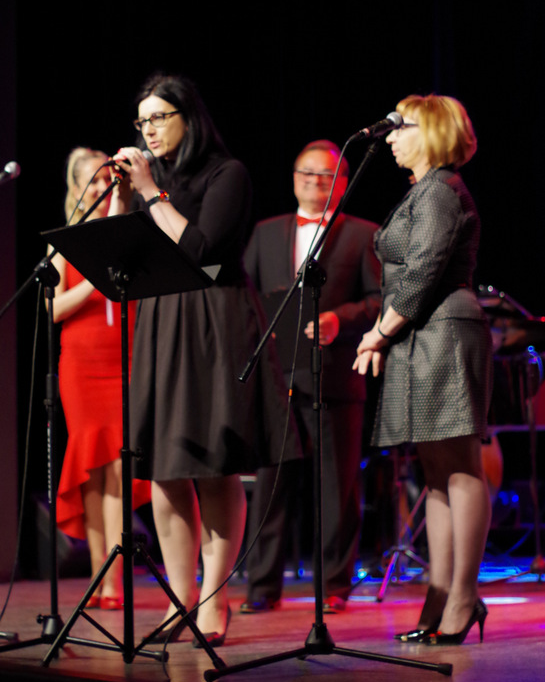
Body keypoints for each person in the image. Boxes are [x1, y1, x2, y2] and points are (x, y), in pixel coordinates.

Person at [113, 72, 297, 646]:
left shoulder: (226, 174)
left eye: (158, 117)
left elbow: (199, 250)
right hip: (161, 321)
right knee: (165, 469)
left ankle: (215, 601)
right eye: (142, 121)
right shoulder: (153, 180)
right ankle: (181, 599)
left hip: (215, 321)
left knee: (215, 465)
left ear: (188, 118)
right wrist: (125, 196)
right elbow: (124, 256)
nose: (148, 130)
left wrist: (149, 192)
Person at [353, 94, 493, 645]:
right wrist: (385, 333)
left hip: (444, 333)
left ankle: (463, 597)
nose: (389, 137)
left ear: (431, 130)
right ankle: (439, 593)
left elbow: (422, 272)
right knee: (435, 475)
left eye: (400, 126)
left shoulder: (440, 190)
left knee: (459, 468)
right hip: (421, 335)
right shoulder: (423, 190)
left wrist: (378, 332)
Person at [240, 139, 381, 614]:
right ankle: (262, 588)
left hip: (335, 379)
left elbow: (381, 300)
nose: (315, 182)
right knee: (270, 489)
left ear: (342, 183)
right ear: (294, 178)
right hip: (276, 380)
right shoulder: (265, 232)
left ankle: (335, 586)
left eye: (326, 175)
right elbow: (246, 298)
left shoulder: (363, 234)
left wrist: (340, 318)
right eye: (307, 172)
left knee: (336, 490)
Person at [52, 147, 149, 609]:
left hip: (127, 360)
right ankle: (99, 575)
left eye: (105, 178)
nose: (100, 187)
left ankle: (114, 579)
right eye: (91, 180)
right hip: (82, 364)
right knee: (91, 471)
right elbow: (52, 309)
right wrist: (92, 283)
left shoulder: (127, 233)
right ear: (76, 188)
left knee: (119, 468)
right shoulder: (64, 243)